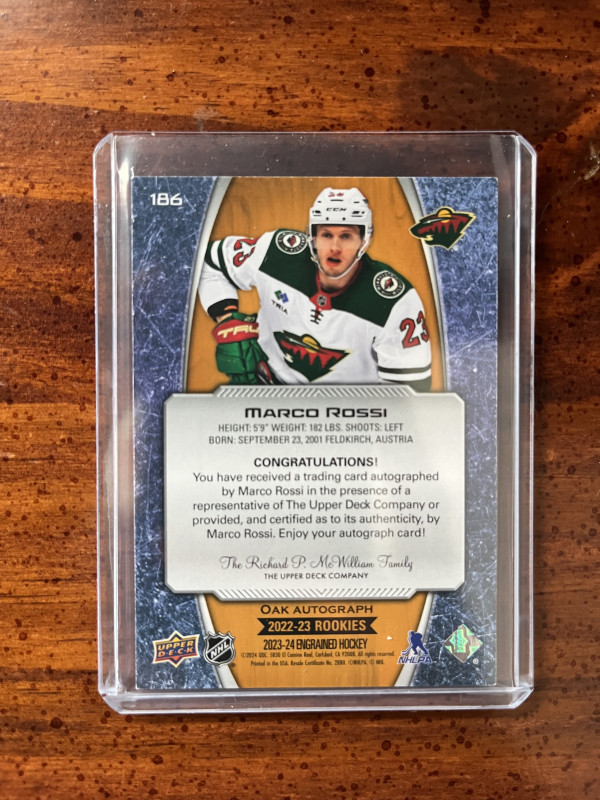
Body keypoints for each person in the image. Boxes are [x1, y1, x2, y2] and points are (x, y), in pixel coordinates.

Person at [199, 187, 432, 389]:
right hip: (263, 390)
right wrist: (227, 319)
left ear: (364, 240)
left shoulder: (396, 301)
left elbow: (412, 390)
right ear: (311, 236)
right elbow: (208, 262)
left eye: (346, 236)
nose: (335, 247)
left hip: (346, 413)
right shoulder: (276, 253)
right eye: (326, 234)